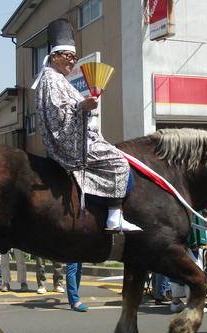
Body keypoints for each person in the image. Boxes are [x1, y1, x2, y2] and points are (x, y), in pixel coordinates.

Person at [33, 18, 141, 232]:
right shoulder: (51, 78)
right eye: (69, 57)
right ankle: (114, 214)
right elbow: (57, 113)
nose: (73, 62)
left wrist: (84, 107)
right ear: (54, 56)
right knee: (119, 162)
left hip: (80, 137)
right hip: (70, 144)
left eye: (75, 58)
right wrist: (82, 106)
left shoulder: (58, 79)